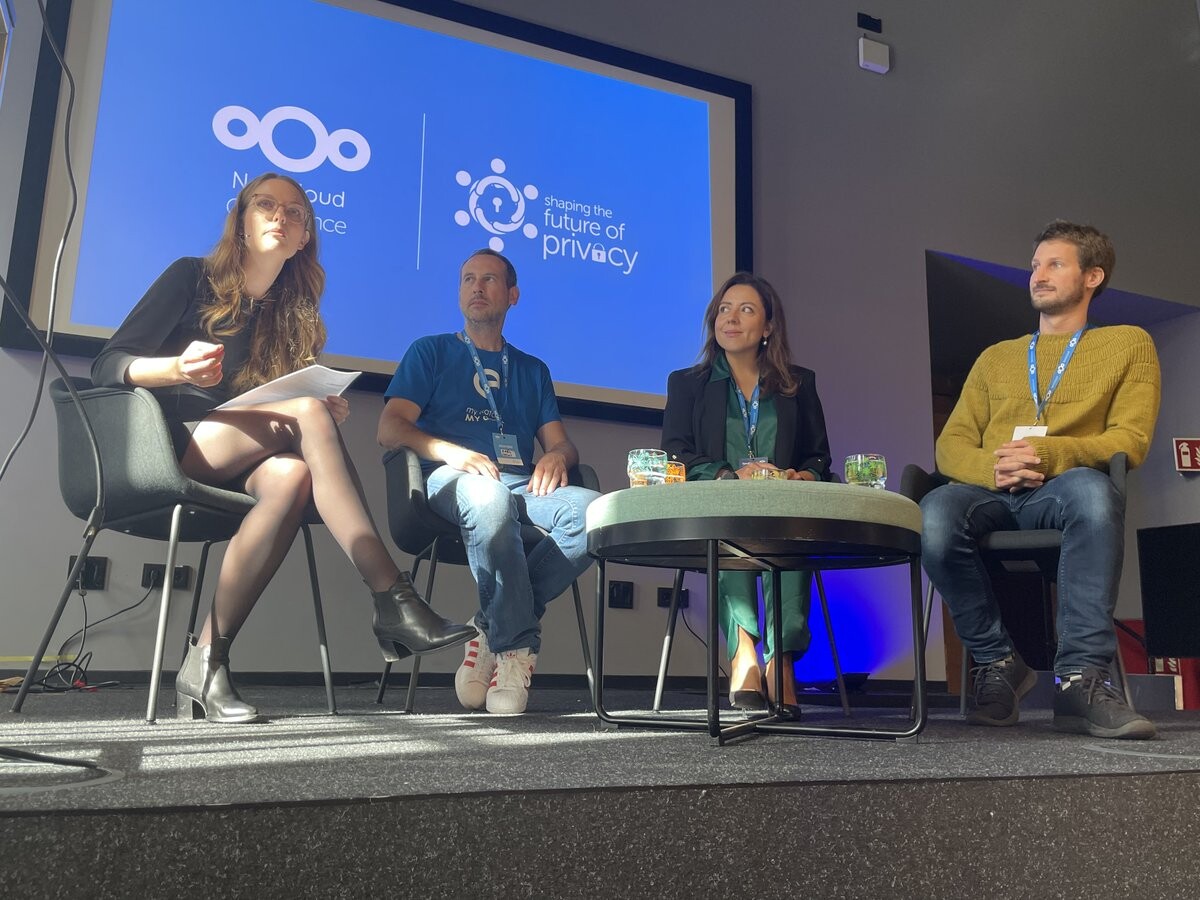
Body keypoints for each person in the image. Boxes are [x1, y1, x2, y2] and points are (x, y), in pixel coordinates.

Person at [91, 173, 475, 724]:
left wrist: (312, 406)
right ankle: (394, 597)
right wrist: (175, 368)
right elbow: (108, 364)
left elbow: (267, 399)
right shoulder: (191, 277)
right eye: (265, 205)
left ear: (304, 238)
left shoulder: (293, 311)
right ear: (241, 222)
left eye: (295, 212)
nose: (280, 216)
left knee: (293, 475)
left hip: (236, 450)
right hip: (169, 443)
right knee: (306, 415)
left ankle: (206, 662)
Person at [921, 220, 1161, 740]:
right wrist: (993, 467)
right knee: (934, 513)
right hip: (990, 488)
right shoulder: (996, 357)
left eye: (1055, 264)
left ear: (1093, 276)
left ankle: (1080, 678)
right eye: (1034, 265)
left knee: (1094, 495)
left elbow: (1130, 439)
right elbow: (950, 444)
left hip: (1062, 486)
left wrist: (1049, 454)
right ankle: (998, 660)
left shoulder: (1128, 343)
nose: (1038, 275)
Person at [377, 249, 600, 715]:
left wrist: (556, 456)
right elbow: (390, 428)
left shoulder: (533, 370)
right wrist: (449, 452)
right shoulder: (431, 351)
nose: (476, 287)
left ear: (513, 295)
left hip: (518, 483)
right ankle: (515, 647)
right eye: (468, 279)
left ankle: (489, 624)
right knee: (489, 497)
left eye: (489, 279)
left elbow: (562, 443)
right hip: (449, 479)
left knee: (593, 513)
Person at [661, 272, 832, 711]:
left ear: (768, 326)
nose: (731, 318)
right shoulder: (688, 383)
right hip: (720, 507)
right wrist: (727, 476)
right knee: (732, 524)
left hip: (783, 509)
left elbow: (818, 457)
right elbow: (675, 453)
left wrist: (801, 477)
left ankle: (782, 660)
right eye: (724, 309)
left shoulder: (799, 384)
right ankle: (742, 651)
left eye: (746, 309)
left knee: (791, 535)